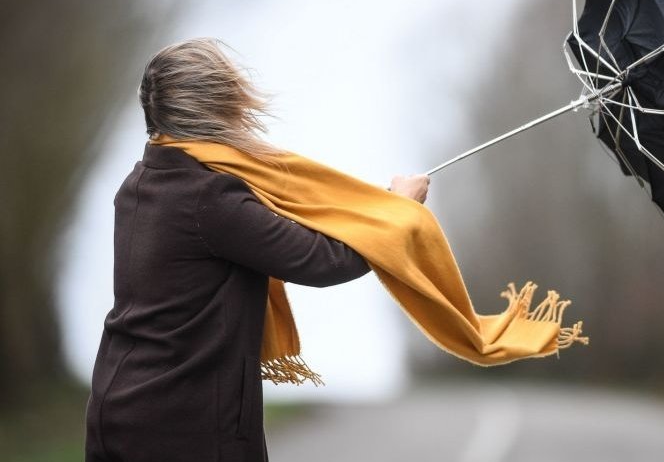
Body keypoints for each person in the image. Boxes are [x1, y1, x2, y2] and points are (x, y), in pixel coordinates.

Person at [85, 38, 430, 462]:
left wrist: (368, 206)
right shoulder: (208, 197)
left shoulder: (141, 184)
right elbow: (324, 261)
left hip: (118, 410)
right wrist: (401, 211)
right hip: (183, 427)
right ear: (217, 110)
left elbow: (269, 230)